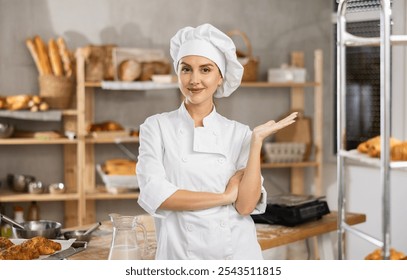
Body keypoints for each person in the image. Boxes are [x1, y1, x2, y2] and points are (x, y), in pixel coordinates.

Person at [136, 23, 297, 260]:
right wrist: (223, 198)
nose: (194, 80)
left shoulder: (239, 133)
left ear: (220, 77)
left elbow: (244, 206)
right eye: (186, 69)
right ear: (178, 73)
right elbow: (158, 195)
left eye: (205, 70)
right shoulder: (156, 127)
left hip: (236, 255)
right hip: (180, 256)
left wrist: (256, 143)